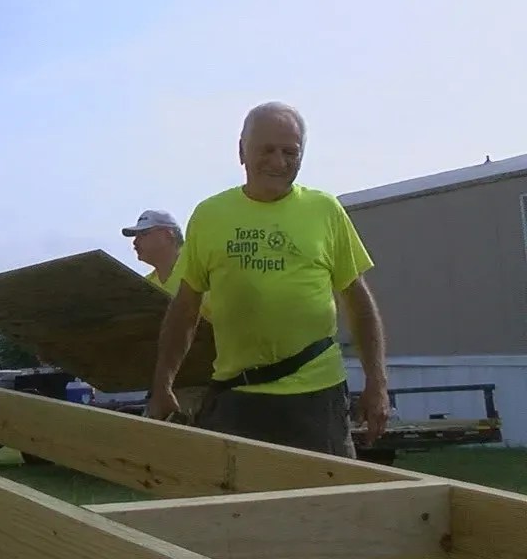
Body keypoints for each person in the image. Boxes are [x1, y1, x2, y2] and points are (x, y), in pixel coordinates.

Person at [146, 101, 390, 457]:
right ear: (241, 151)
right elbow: (186, 307)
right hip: (238, 398)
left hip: (316, 397)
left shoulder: (325, 210)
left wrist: (377, 383)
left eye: (290, 152)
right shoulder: (210, 215)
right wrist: (162, 382)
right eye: (267, 150)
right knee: (233, 508)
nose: (278, 162)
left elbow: (359, 302)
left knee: (326, 501)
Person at [122, 209, 213, 321]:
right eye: (135, 236)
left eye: (144, 234)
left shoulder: (203, 267)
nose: (135, 242)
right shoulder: (146, 285)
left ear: (168, 235)